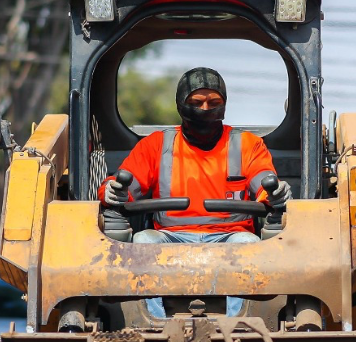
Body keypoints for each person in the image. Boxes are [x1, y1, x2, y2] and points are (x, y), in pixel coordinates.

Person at [100, 67, 292, 316]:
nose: (205, 109)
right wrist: (111, 191)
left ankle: (238, 324)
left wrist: (275, 192)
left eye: (214, 102)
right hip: (170, 235)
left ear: (224, 106)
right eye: (196, 102)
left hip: (230, 235)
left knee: (249, 244)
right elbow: (126, 184)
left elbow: (264, 180)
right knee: (143, 241)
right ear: (181, 106)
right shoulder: (156, 145)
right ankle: (154, 321)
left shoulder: (247, 144)